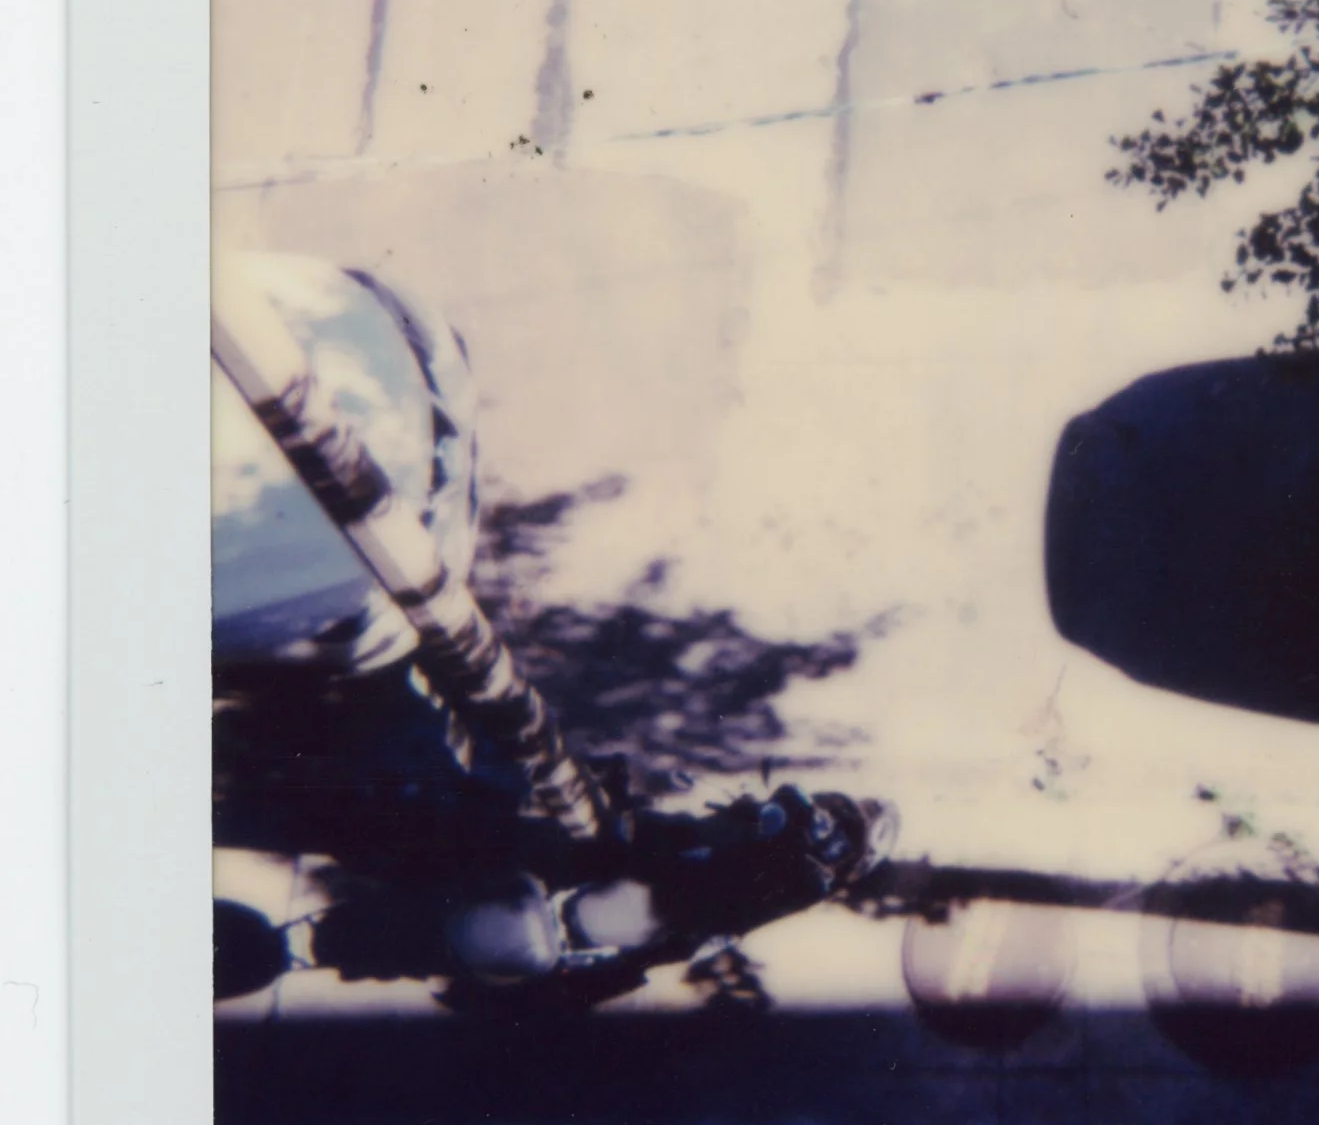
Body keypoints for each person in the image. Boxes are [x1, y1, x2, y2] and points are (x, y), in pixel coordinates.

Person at [211, 251, 889, 1002]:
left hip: (517, 884)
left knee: (417, 764)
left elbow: (707, 862)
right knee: (409, 780)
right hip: (520, 884)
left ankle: (300, 766)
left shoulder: (738, 888)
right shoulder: (693, 900)